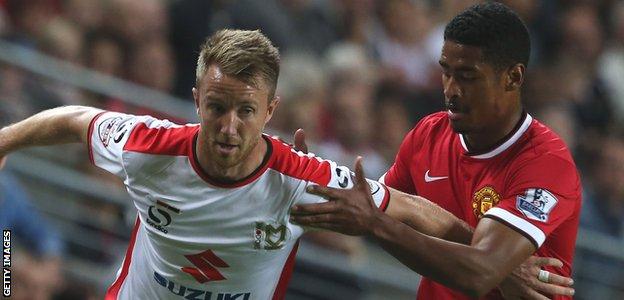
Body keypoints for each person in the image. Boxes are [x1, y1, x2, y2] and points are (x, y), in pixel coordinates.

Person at [0, 29, 570, 300]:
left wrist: (493, 260)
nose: (229, 127)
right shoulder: (150, 147)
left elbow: (418, 211)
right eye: (217, 107)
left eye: (246, 111)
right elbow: (75, 118)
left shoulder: (302, 178)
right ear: (197, 100)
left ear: (270, 110)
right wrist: (3, 142)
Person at [291, 3, 581, 300]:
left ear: (513, 77)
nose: (451, 89)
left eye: (468, 76)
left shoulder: (546, 163)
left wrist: (375, 223)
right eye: (446, 72)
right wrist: (306, 176)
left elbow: (478, 273)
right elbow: (381, 205)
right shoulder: (428, 135)